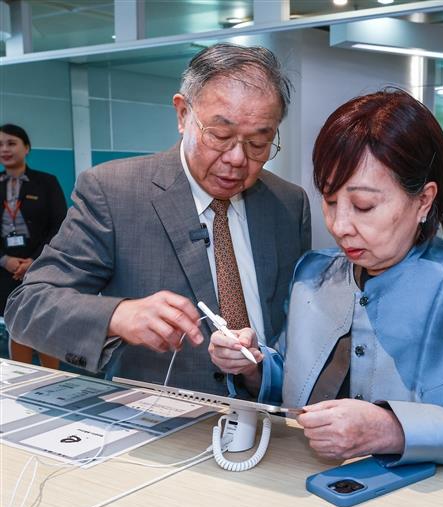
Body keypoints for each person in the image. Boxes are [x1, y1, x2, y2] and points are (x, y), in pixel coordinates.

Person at [209, 90, 443, 467]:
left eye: (364, 206)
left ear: (424, 200)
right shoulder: (313, 273)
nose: (340, 226)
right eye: (330, 201)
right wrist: (253, 366)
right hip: (303, 484)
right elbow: (295, 378)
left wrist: (391, 428)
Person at [5, 44, 311, 394]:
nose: (238, 159)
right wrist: (119, 316)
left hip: (270, 420)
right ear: (182, 114)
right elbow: (28, 307)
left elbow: (296, 327)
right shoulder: (113, 192)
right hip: (161, 426)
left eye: (259, 143)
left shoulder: (289, 203)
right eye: (220, 136)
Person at [0, 124, 67, 369]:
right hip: (5, 270)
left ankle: (53, 383)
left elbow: (60, 226)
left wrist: (36, 261)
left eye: (11, 143)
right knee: (15, 325)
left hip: (42, 266)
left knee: (44, 323)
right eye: (0, 145)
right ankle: (23, 383)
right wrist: (4, 260)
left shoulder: (46, 183)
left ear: (26, 148)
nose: (4, 149)